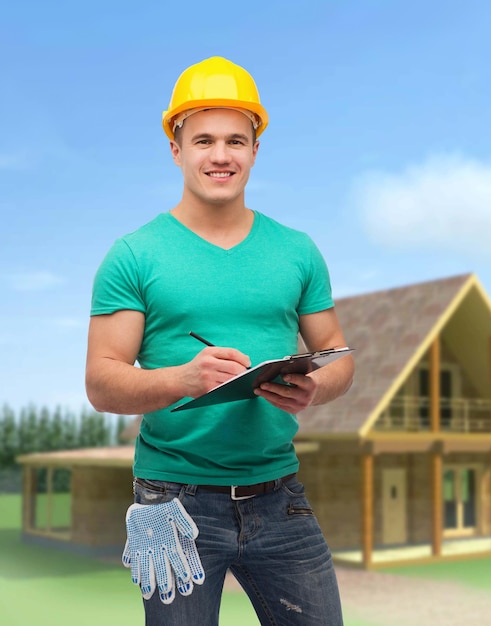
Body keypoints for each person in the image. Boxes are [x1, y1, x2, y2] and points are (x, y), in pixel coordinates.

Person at [85, 56, 354, 625]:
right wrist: (184, 379)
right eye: (203, 139)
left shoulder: (297, 250)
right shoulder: (135, 255)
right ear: (175, 148)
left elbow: (338, 355)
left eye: (236, 139)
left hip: (281, 498)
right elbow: (102, 382)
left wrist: (315, 387)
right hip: (173, 503)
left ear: (256, 149)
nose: (221, 155)